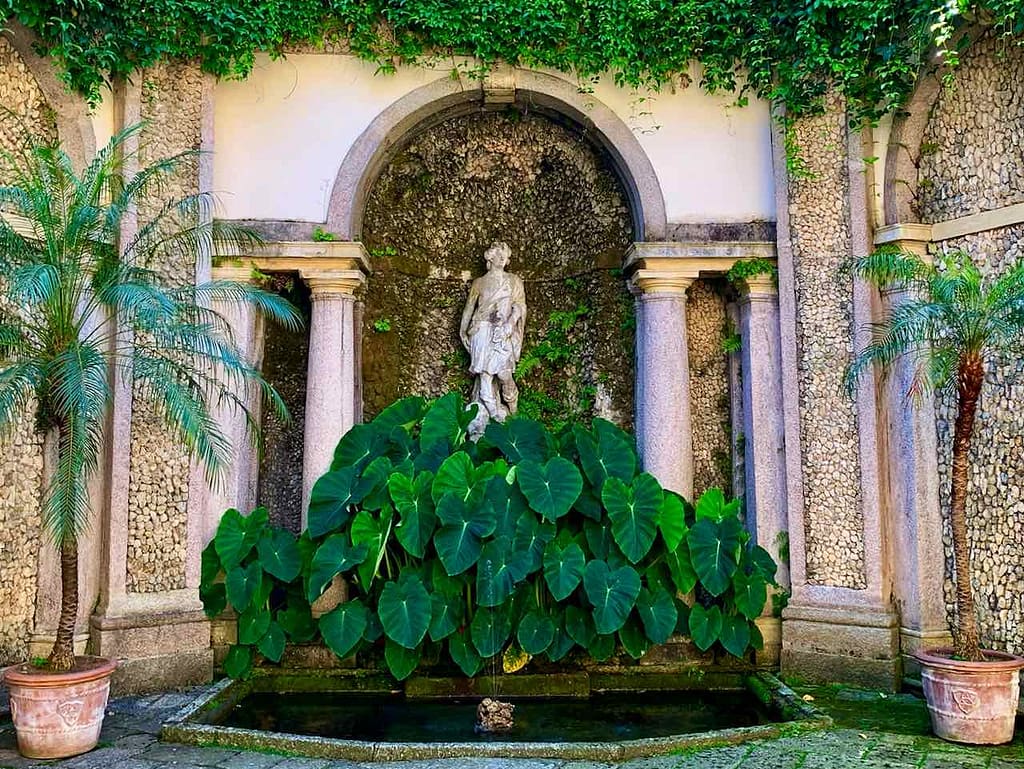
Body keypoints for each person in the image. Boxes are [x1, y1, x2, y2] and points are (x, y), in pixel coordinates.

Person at [459, 241, 527, 427]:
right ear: (490, 256)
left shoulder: (514, 281)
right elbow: (469, 309)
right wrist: (462, 330)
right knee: (485, 375)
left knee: (505, 374)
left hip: (502, 330)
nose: (504, 258)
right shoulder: (479, 283)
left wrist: (510, 323)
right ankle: (493, 415)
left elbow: (520, 306)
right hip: (481, 330)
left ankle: (514, 413)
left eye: (506, 255)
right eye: (500, 254)